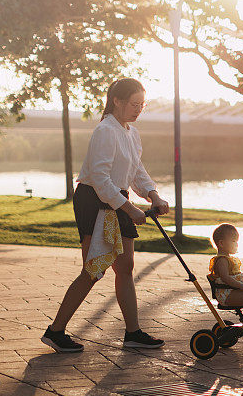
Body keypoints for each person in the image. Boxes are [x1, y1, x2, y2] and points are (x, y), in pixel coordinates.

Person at [41, 78, 170, 353]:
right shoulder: (105, 131)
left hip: (117, 198)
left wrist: (153, 194)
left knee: (125, 268)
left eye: (142, 105)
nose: (138, 110)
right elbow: (99, 179)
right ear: (117, 102)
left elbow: (136, 171)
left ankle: (133, 333)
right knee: (93, 270)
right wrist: (130, 208)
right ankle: (55, 331)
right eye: (134, 104)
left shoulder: (130, 133)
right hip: (94, 200)